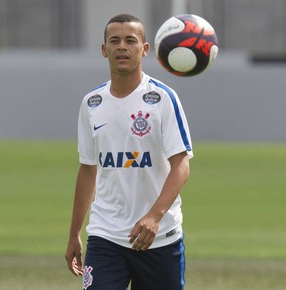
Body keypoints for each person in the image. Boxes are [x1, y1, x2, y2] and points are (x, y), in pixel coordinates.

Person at [65, 14, 193, 290]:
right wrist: (75, 232)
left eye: (130, 40)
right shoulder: (92, 103)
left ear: (144, 49)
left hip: (159, 237)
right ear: (104, 50)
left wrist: (154, 217)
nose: (122, 46)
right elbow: (88, 169)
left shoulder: (163, 98)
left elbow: (181, 164)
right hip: (105, 235)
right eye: (114, 40)